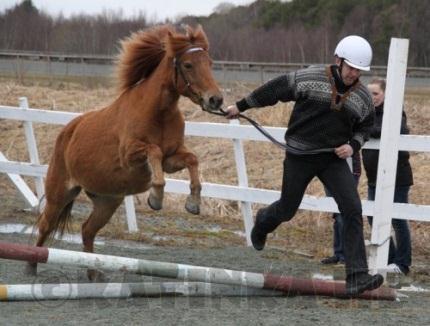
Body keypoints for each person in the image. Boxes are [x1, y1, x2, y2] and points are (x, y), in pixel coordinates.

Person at [225, 35, 384, 296]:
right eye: (351, 67)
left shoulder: (363, 98)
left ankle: (357, 275)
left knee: (352, 208)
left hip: (332, 159)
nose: (353, 74)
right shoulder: (310, 77)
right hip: (300, 154)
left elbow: (365, 127)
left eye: (359, 70)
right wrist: (240, 106)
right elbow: (274, 90)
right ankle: (263, 222)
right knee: (287, 209)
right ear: (338, 60)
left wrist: (353, 145)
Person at [363, 78, 413, 275]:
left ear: (385, 94)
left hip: (397, 176)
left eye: (375, 93)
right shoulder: (366, 112)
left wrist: (368, 131)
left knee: (398, 219)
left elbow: (397, 130)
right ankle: (389, 257)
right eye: (369, 94)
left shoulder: (395, 111)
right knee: (372, 215)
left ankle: (403, 263)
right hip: (374, 176)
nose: (372, 97)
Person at [321, 151, 361, 265]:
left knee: (344, 214)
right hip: (327, 169)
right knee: (336, 214)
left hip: (348, 169)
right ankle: (338, 253)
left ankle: (346, 255)